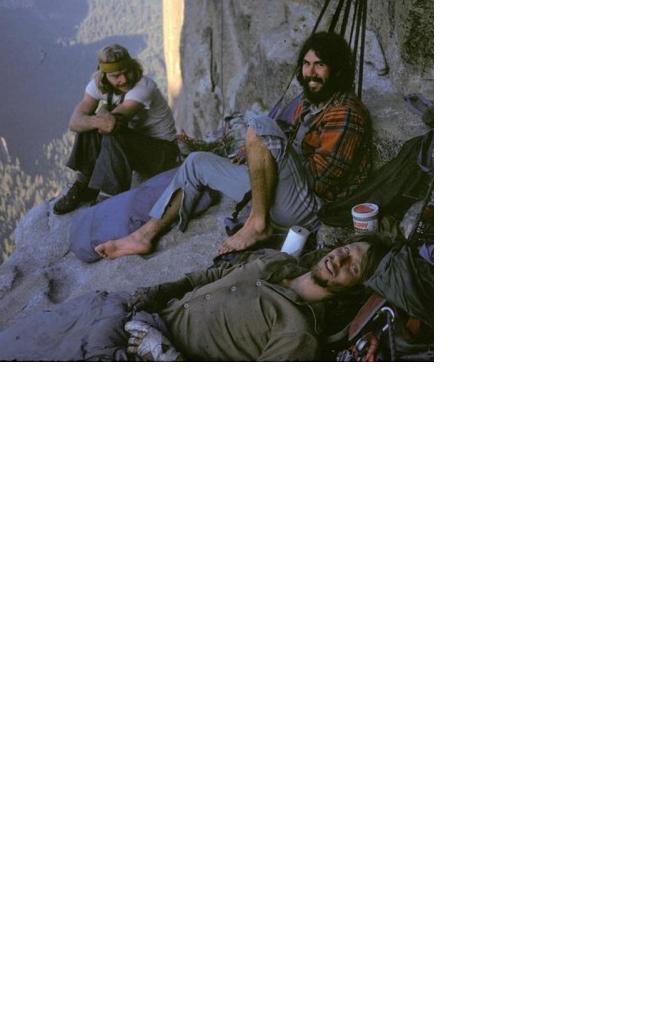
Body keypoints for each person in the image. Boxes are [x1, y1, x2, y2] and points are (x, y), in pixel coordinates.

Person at [94, 32, 372, 260]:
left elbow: (320, 181)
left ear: (336, 69)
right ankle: (144, 236)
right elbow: (288, 138)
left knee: (260, 125)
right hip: (280, 192)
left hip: (306, 207)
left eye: (320, 65)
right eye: (307, 64)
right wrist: (256, 155)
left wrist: (270, 155)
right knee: (197, 162)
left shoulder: (346, 113)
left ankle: (258, 225)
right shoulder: (310, 102)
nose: (310, 72)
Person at [0, 236, 391, 362]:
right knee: (35, 334)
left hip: (146, 353)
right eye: (347, 250)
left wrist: (167, 357)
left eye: (353, 267)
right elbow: (211, 276)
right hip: (142, 315)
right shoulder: (279, 261)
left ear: (353, 287)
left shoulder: (298, 331)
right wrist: (159, 291)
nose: (340, 259)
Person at [53, 44, 179, 215]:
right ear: (104, 75)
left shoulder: (143, 87)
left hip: (162, 153)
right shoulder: (97, 85)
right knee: (91, 125)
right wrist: (97, 118)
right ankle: (83, 185)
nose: (124, 79)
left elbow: (111, 125)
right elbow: (74, 122)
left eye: (127, 71)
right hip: (135, 150)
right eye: (116, 76)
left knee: (110, 131)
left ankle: (109, 197)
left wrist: (101, 112)